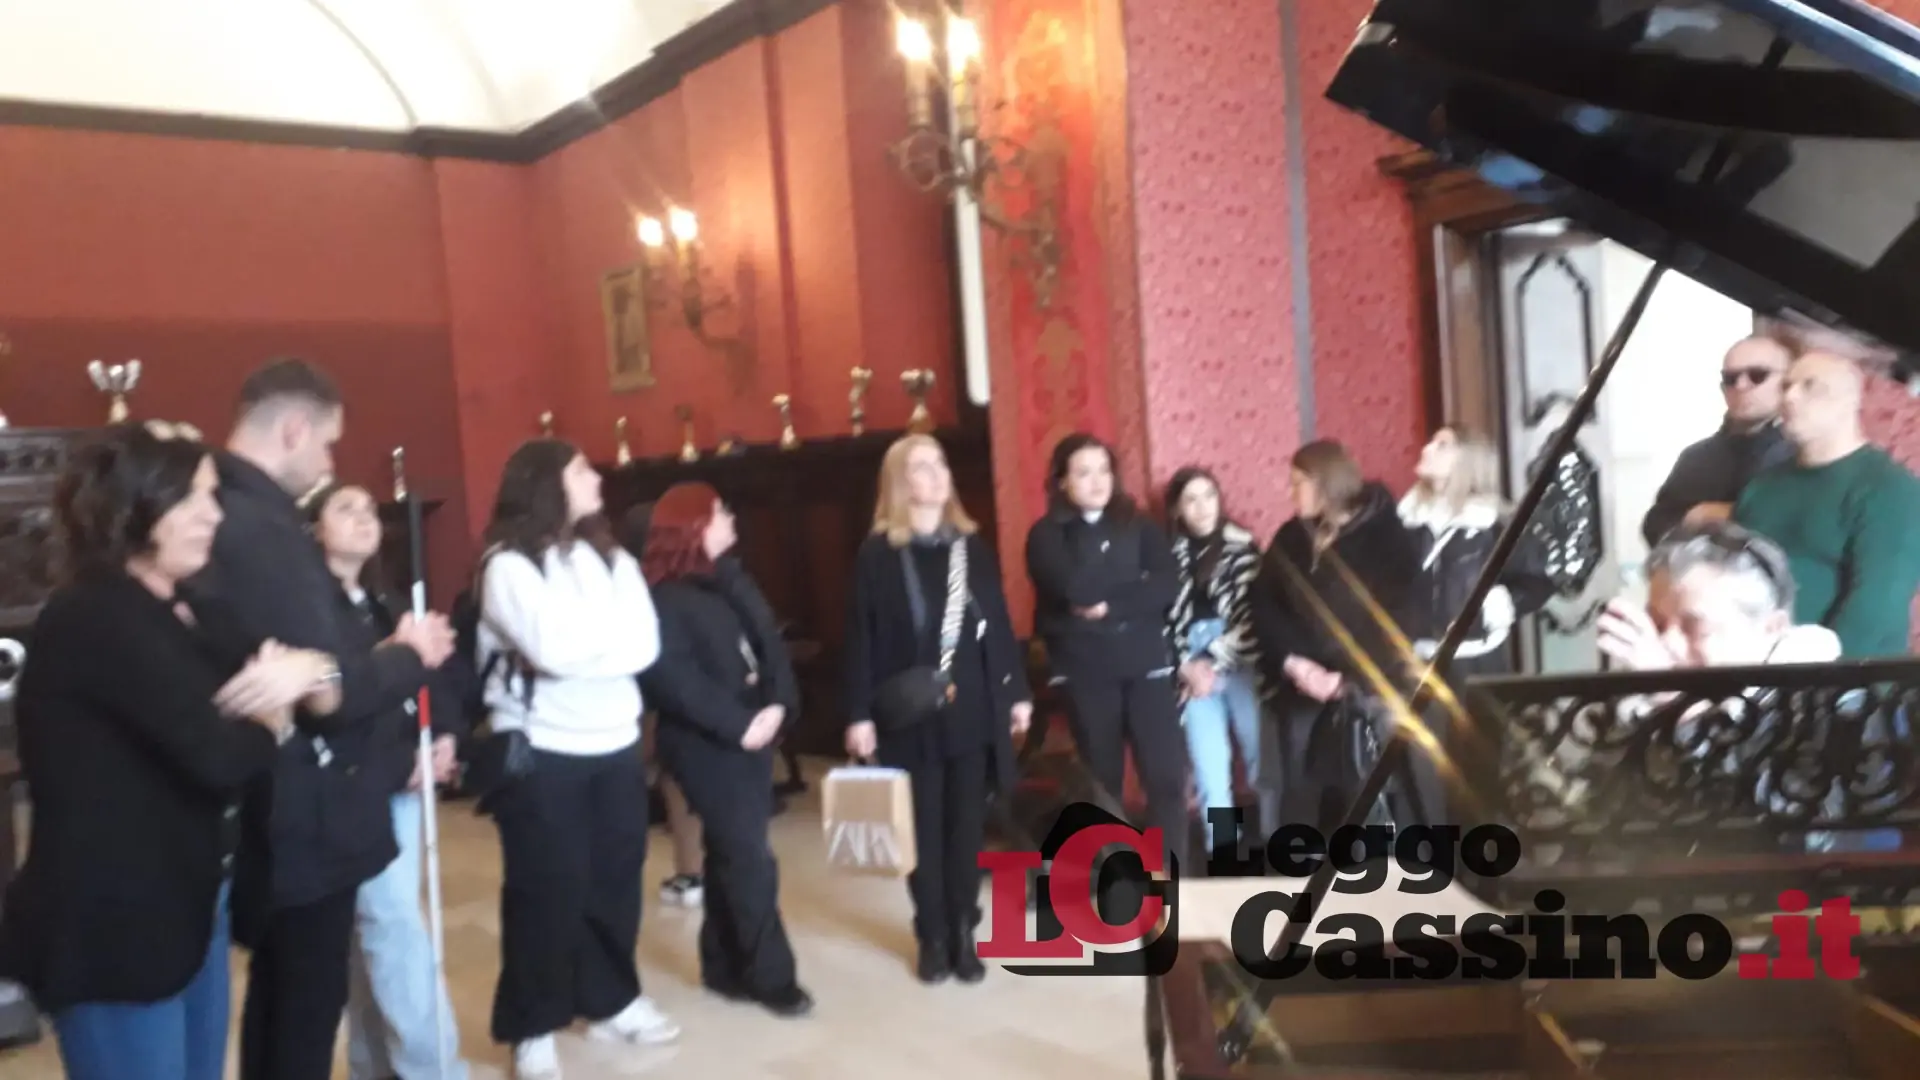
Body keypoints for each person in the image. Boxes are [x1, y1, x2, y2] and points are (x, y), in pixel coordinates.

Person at [0, 423, 325, 1080]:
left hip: (189, 902)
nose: (214, 515)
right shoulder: (93, 616)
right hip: (114, 926)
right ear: (137, 506)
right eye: (193, 498)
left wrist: (296, 677)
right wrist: (270, 715)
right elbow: (219, 755)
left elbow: (286, 662)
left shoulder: (187, 608)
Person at [190, 358, 455, 1080]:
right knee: (302, 1010)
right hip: (299, 812)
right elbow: (329, 688)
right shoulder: (260, 527)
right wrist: (407, 655)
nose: (329, 462)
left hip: (285, 804)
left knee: (289, 1002)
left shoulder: (233, 510)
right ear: (294, 429)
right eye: (328, 443)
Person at [474, 439, 674, 1080]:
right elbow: (551, 649)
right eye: (582, 470)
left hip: (615, 742)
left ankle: (611, 999)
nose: (597, 479)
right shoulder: (508, 566)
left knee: (615, 881)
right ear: (546, 483)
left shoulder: (611, 557)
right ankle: (531, 1025)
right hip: (543, 749)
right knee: (546, 892)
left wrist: (584, 650)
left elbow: (645, 645)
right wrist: (593, 648)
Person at [847, 434, 1032, 983]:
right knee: (923, 831)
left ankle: (963, 930)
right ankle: (930, 932)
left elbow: (998, 625)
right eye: (922, 466)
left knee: (966, 830)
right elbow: (860, 638)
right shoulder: (877, 554)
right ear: (900, 483)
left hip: (972, 707)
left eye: (940, 463)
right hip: (909, 714)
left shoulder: (972, 548)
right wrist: (857, 714)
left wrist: (1016, 693)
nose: (937, 474)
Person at [304, 481, 469, 1080]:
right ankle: (435, 1068)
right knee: (393, 926)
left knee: (374, 927)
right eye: (344, 509)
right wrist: (406, 762)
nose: (363, 518)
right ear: (314, 529)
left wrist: (445, 734)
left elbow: (430, 675)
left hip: (403, 782)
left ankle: (373, 1064)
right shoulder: (312, 609)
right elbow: (342, 705)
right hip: (359, 785)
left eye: (369, 509)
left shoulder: (384, 600)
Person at [640, 483, 812, 1016]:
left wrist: (779, 705)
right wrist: (740, 725)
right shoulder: (664, 596)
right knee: (750, 857)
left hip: (756, 732)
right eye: (719, 512)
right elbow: (674, 680)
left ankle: (722, 964)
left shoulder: (730, 578)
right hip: (705, 743)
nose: (731, 518)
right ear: (693, 526)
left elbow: (768, 645)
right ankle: (771, 976)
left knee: (731, 853)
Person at [1024, 434, 1186, 873]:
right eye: (1083, 472)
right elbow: (1075, 589)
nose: (1097, 481)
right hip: (1086, 669)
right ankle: (1116, 876)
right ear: (1062, 481)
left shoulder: (1140, 525)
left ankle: (1172, 875)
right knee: (1102, 780)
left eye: (1103, 470)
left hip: (1146, 664)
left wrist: (1111, 604)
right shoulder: (1046, 534)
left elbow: (1166, 585)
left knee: (1166, 776)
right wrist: (1133, 585)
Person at [1252, 439, 1420, 830]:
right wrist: (1294, 662)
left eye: (1298, 483)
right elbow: (1263, 603)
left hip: (1367, 689)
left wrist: (1346, 680)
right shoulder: (1292, 537)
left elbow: (1402, 621)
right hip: (1302, 684)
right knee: (1301, 792)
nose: (1290, 492)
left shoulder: (1387, 538)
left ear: (1325, 483)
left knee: (1366, 791)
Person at [1733, 347, 1920, 657]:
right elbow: (1730, 578)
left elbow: (1876, 610)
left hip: (1845, 677)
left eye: (1811, 387)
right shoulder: (1762, 486)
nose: (1790, 397)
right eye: (1786, 386)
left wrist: (1815, 675)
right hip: (1751, 665)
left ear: (1850, 401)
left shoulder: (1890, 488)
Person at [1163, 467, 1266, 853]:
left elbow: (1256, 615)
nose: (1202, 506)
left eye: (1209, 495)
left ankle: (1280, 843)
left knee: (1259, 755)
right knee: (1210, 764)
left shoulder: (1243, 549)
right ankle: (1223, 851)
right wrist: (1186, 666)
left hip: (1238, 654)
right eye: (1191, 499)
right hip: (1190, 663)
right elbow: (1160, 620)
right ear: (1177, 509)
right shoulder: (1165, 557)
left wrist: (1214, 658)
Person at [1399, 424, 1554, 676]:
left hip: (1477, 666)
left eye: (1442, 445)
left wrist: (1501, 603)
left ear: (1468, 459)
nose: (1427, 449)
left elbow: (1536, 582)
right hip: (1411, 665)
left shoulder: (1496, 525)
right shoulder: (1405, 521)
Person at [618, 504, 705, 909]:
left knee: (661, 779)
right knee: (678, 781)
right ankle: (695, 870)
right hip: (685, 691)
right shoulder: (690, 576)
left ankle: (690, 870)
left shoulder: (629, 579)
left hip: (645, 694)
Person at [1640, 335, 1795, 546]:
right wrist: (1695, 519)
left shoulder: (1808, 451)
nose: (1741, 385)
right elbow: (1656, 526)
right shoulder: (1696, 457)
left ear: (1788, 382)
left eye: (1757, 375)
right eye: (1731, 378)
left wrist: (1728, 514)